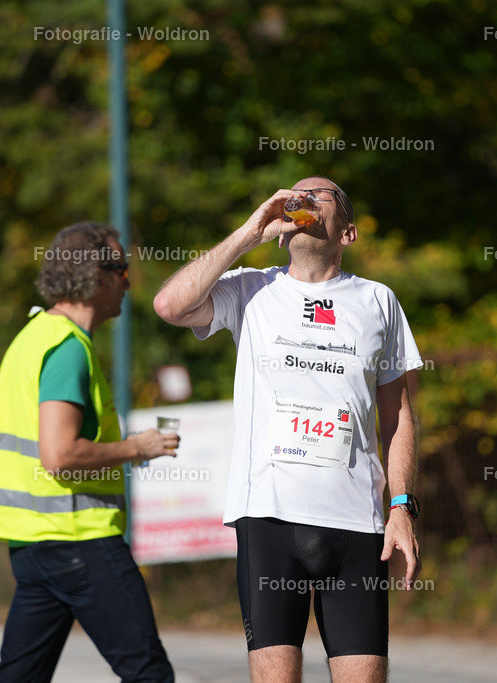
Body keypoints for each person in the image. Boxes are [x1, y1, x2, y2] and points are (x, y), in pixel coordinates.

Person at [153, 177, 424, 683]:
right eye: (297, 195)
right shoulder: (250, 288)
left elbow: (399, 417)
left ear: (347, 232)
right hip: (269, 519)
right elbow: (170, 305)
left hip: (357, 523)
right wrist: (249, 232)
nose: (304, 199)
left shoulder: (378, 301)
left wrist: (402, 507)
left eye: (321, 195)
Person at [0, 222, 177, 683]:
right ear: (96, 275)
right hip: (79, 541)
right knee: (148, 674)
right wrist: (138, 447)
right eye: (121, 269)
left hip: (36, 546)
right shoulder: (67, 348)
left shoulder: (34, 335)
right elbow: (59, 454)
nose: (128, 281)